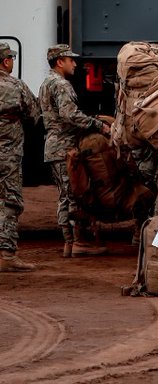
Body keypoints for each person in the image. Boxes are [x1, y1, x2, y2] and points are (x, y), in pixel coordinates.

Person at [39, 44, 110, 258]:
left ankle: (69, 244)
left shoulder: (47, 83)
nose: (75, 64)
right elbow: (70, 115)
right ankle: (79, 243)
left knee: (65, 195)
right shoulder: (61, 85)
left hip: (54, 147)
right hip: (65, 147)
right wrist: (98, 125)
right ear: (60, 61)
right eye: (71, 60)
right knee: (75, 195)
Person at [0, 42, 39, 272]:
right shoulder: (16, 86)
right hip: (8, 156)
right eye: (11, 58)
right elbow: (34, 115)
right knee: (10, 201)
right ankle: (7, 255)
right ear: (6, 61)